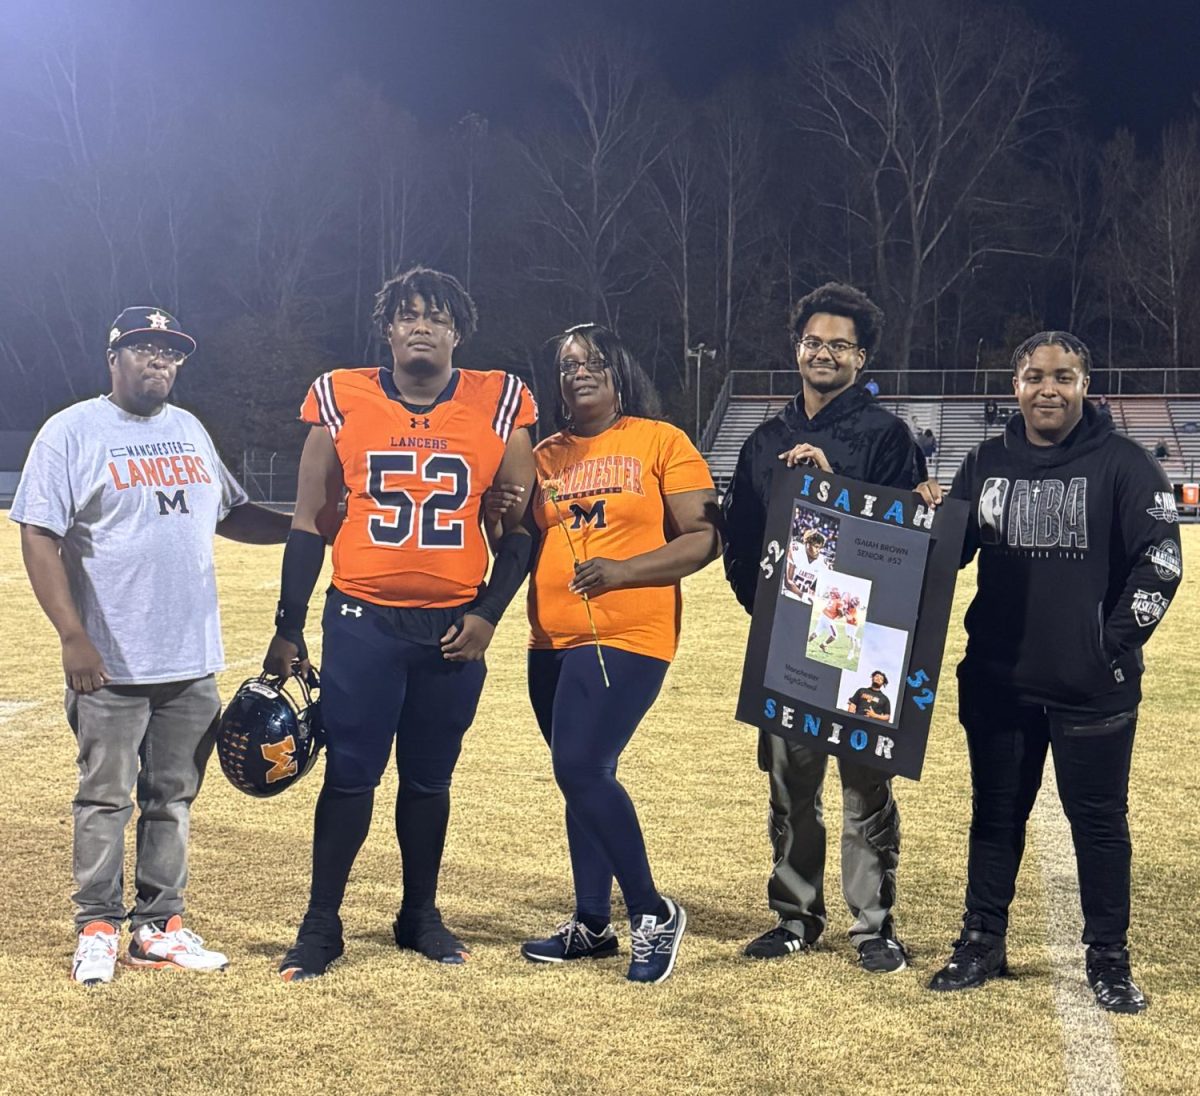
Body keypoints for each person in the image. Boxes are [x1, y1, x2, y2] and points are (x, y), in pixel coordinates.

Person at [263, 267, 538, 981]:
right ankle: (322, 924)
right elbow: (307, 522)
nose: (422, 325)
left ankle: (419, 914)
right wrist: (288, 626)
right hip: (361, 621)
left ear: (457, 331)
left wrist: (486, 614)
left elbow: (520, 530)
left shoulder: (501, 399)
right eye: (408, 315)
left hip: (452, 626)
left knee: (429, 779)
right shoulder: (339, 395)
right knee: (351, 775)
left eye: (436, 316)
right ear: (387, 329)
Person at [11, 306, 291, 986]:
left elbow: (233, 513)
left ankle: (159, 926)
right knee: (105, 799)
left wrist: (313, 525)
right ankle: (98, 926)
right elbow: (38, 532)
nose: (158, 361)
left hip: (190, 661)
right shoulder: (71, 431)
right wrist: (72, 636)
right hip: (109, 661)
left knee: (173, 799)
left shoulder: (190, 429)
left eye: (169, 352)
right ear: (114, 358)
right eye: (143, 349)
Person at [918, 331, 1182, 1014]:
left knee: (1098, 822)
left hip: (1092, 686)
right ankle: (982, 939)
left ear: (1085, 385)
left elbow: (1162, 562)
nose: (1048, 389)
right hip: (1000, 681)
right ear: (1015, 385)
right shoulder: (984, 462)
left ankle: (1109, 958)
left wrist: (1108, 647)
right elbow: (946, 560)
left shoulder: (1125, 464)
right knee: (996, 814)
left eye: (1063, 377)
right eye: (1035, 376)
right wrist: (927, 520)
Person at [502, 323, 721, 985]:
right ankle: (593, 923)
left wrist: (625, 571)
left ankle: (652, 912)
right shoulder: (544, 456)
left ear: (620, 368)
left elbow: (705, 539)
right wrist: (498, 510)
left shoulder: (662, 441)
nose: (579, 372)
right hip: (551, 642)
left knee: (580, 765)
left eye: (593, 361)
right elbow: (513, 539)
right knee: (582, 776)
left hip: (627, 633)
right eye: (567, 364)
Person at [722, 281, 927, 973]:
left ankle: (874, 924)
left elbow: (909, 544)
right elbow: (742, 541)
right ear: (797, 348)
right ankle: (795, 916)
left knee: (865, 786)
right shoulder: (765, 438)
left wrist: (833, 486)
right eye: (814, 341)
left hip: (867, 639)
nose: (824, 353)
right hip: (789, 640)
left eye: (839, 344)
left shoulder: (889, 437)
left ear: (861, 357)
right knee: (790, 787)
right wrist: (770, 615)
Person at [785, 528, 828, 602]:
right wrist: (802, 595)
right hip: (788, 593)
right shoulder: (796, 551)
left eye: (820, 548)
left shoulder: (822, 562)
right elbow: (788, 582)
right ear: (807, 543)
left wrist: (811, 596)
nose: (818, 550)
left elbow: (814, 589)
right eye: (816, 546)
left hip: (804, 598)